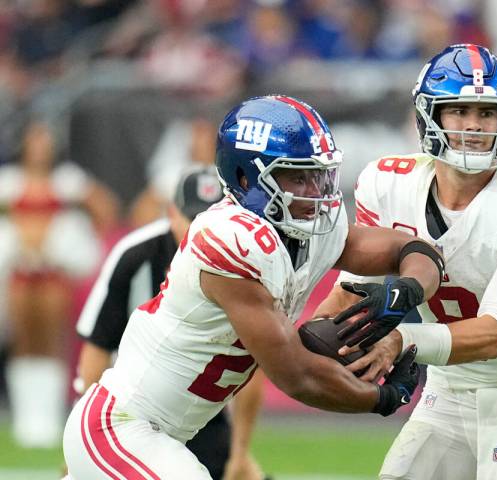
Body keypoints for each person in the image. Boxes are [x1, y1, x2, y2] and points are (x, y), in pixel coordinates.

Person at [62, 95, 444, 479]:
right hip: (119, 427)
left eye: (318, 174)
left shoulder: (306, 228)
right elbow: (297, 375)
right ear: (246, 177)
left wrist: (407, 289)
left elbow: (410, 249)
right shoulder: (231, 239)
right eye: (298, 176)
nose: (315, 191)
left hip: (164, 435)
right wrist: (383, 398)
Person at [316, 44, 497, 479]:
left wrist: (402, 341)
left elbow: (494, 334)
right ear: (429, 115)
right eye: (458, 110)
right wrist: (302, 346)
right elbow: (349, 293)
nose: (474, 125)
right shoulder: (387, 184)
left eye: (487, 113)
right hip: (449, 395)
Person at [74, 166, 269, 480]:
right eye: (192, 218)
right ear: (170, 213)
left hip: (202, 415)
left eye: (210, 218)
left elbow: (252, 364)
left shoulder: (240, 264)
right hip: (128, 408)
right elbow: (97, 346)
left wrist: (241, 451)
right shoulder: (134, 256)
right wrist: (82, 445)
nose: (200, 230)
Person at [0, 119, 119, 448]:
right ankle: (26, 417)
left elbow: (104, 207)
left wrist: (79, 237)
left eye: (45, 141)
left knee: (52, 341)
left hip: (54, 272)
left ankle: (49, 416)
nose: (41, 148)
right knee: (23, 340)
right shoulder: (9, 183)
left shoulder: (68, 182)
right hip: (20, 271)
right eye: (35, 141)